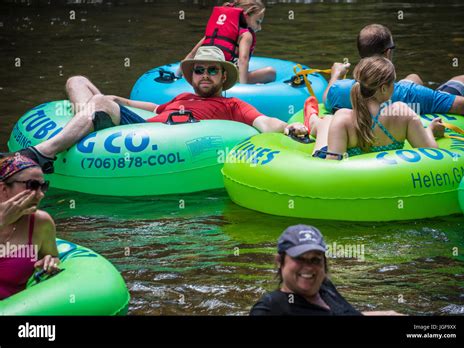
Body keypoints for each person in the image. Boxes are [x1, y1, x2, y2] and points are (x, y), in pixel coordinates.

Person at [1, 46, 306, 173]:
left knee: (100, 103)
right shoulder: (183, 97)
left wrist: (288, 128)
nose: (205, 76)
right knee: (77, 80)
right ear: (192, 74)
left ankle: (44, 153)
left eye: (212, 71)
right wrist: (120, 100)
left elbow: (264, 122)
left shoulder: (232, 104)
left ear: (223, 76)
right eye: (199, 70)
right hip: (139, 124)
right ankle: (85, 120)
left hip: (158, 140)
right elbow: (153, 107)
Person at [306, 56, 445, 160]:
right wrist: (430, 130)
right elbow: (433, 153)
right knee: (327, 122)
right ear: (384, 88)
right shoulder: (404, 113)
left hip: (351, 174)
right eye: (393, 83)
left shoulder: (343, 118)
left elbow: (333, 163)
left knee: (329, 120)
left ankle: (315, 121)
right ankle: (312, 119)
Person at [323, 24, 464, 116]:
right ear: (388, 52)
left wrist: (336, 75)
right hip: (417, 99)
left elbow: (325, 99)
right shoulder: (411, 93)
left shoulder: (339, 90)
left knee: (413, 77)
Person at [250, 225, 401, 315]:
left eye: (315, 259)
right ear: (279, 261)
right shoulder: (270, 308)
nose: (308, 267)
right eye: (299, 258)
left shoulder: (324, 287)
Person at [0, 155, 59, 300]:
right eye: (32, 186)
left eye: (43, 186)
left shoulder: (41, 222)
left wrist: (50, 261)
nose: (40, 195)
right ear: (3, 189)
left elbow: (52, 255)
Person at [177, 0, 276, 84]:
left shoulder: (216, 31)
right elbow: (243, 61)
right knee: (271, 73)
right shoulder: (246, 35)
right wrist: (243, 88)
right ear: (246, 16)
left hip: (203, 74)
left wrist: (177, 76)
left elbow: (192, 54)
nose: (259, 28)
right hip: (224, 78)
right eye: (257, 22)